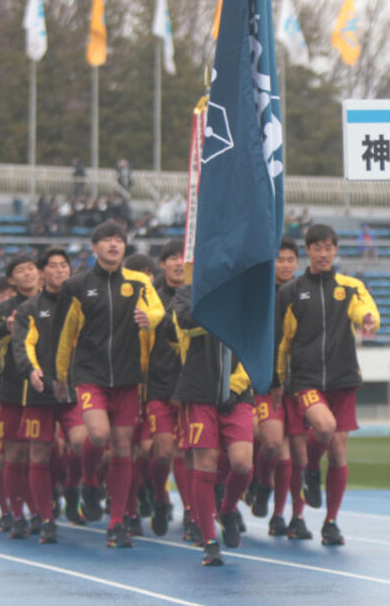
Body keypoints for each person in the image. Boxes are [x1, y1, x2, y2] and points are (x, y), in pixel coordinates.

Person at [53, 221, 164, 548]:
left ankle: (117, 522)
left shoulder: (140, 281)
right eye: (106, 240)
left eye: (118, 240)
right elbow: (66, 335)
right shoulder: (77, 286)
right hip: (91, 375)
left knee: (121, 448)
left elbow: (158, 310)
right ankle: (88, 480)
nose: (113, 245)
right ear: (95, 247)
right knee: (98, 434)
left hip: (129, 378)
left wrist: (150, 318)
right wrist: (60, 375)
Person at [275, 223, 379, 545]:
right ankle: (309, 472)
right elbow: (281, 342)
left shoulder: (349, 286)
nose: (323, 253)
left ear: (336, 250)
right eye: (317, 248)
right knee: (324, 427)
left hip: (342, 378)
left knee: (338, 450)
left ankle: (331, 522)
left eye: (329, 247)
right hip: (305, 380)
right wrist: (278, 379)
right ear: (308, 250)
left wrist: (367, 319)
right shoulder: (290, 292)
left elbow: (364, 306)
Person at [171, 285, 255, 567]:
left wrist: (234, 386)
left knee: (242, 463)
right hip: (198, 389)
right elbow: (188, 326)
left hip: (237, 391)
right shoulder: (186, 294)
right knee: (204, 463)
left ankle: (228, 508)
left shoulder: (241, 292)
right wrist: (216, 306)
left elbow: (252, 344)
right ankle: (209, 540)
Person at [10, 247, 87, 543]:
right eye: (52, 266)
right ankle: (45, 518)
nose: (58, 270)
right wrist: (31, 370)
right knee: (38, 453)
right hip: (40, 392)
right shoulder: (29, 309)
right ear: (42, 273)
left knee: (85, 442)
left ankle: (75, 486)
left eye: (63, 265)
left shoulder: (81, 304)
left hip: (73, 389)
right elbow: (22, 344)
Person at [0, 256, 42, 539]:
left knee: (41, 456)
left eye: (31, 268)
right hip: (13, 391)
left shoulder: (54, 301)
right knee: (14, 455)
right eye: (20, 270)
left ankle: (42, 512)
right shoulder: (4, 309)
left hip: (46, 391)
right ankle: (18, 515)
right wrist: (6, 326)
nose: (28, 273)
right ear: (12, 280)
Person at [138, 241, 186, 537]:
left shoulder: (199, 295)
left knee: (186, 453)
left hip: (193, 387)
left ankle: (194, 513)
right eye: (172, 258)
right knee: (163, 452)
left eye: (183, 257)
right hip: (158, 387)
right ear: (163, 264)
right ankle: (159, 497)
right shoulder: (151, 298)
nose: (179, 263)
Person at [252, 236, 298, 536]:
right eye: (279, 259)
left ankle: (282, 515)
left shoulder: (304, 292)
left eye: (290, 259)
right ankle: (261, 481)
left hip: (301, 383)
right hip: (266, 382)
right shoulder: (260, 296)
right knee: (271, 443)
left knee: (294, 453)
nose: (285, 265)